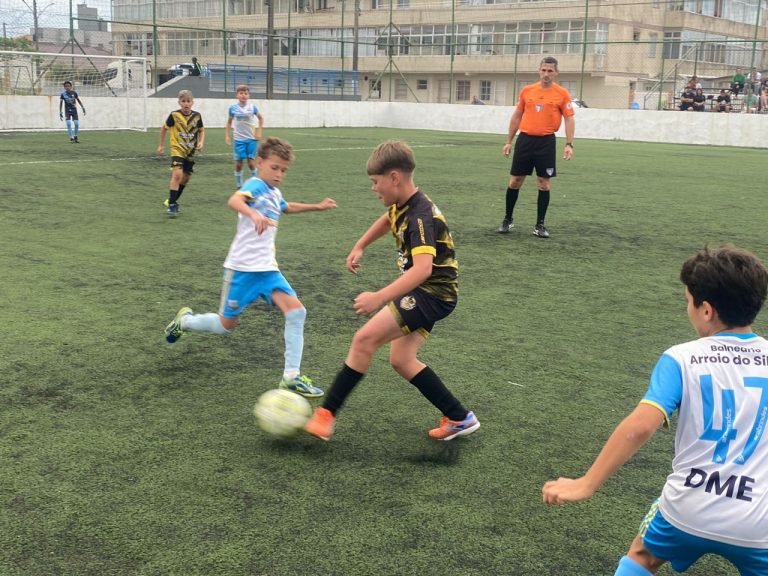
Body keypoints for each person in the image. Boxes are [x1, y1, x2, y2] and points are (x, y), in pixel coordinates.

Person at [542, 244, 768, 576]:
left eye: (688, 301)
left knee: (642, 557)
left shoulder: (682, 357)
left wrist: (586, 483)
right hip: (758, 522)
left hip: (686, 508)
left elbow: (640, 427)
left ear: (706, 310)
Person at [304, 140, 480, 442]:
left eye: (376, 182)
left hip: (431, 292)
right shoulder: (402, 204)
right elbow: (388, 220)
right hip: (431, 293)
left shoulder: (421, 216)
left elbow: (423, 270)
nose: (374, 188)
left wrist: (380, 297)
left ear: (394, 177)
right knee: (402, 359)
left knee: (363, 340)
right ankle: (459, 417)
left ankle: (326, 414)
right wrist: (360, 245)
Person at [164, 137, 337, 398]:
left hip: (268, 270)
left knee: (297, 312)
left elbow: (285, 207)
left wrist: (317, 206)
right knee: (225, 325)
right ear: (259, 163)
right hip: (242, 270)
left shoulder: (274, 192)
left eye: (284, 170)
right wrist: (254, 214)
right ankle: (185, 322)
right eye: (275, 167)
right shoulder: (254, 184)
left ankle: (291, 376)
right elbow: (234, 201)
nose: (279, 174)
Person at [498, 56, 575, 238]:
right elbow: (517, 116)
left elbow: (569, 118)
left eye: (550, 71)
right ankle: (507, 220)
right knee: (515, 181)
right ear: (539, 70)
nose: (546, 74)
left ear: (556, 73)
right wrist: (509, 141)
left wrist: (569, 144)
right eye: (543, 70)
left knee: (544, 184)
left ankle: (540, 225)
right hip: (525, 141)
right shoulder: (527, 91)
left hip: (546, 142)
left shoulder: (562, 93)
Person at [157, 90, 205, 217]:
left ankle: (171, 200)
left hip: (190, 151)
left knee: (186, 178)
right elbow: (164, 129)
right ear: (179, 102)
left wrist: (201, 142)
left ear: (192, 103)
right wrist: (161, 145)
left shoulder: (197, 116)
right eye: (183, 101)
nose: (186, 104)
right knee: (177, 175)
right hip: (177, 149)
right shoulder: (174, 115)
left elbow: (201, 130)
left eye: (188, 101)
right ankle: (172, 206)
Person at [225, 84, 264, 189]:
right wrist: (227, 136)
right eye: (241, 93)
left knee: (251, 163)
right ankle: (239, 185)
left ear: (249, 95)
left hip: (251, 139)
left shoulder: (252, 108)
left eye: (246, 93)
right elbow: (229, 122)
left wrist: (259, 131)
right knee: (239, 164)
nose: (243, 95)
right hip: (239, 140)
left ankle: (255, 184)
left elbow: (260, 119)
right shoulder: (233, 108)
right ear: (237, 95)